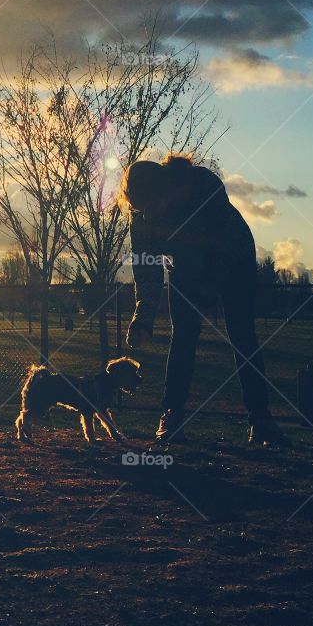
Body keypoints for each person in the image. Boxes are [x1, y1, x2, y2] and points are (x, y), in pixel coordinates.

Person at [121, 153, 290, 446]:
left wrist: (210, 288)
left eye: (150, 207)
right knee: (183, 337)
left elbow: (221, 247)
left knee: (242, 336)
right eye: (139, 210)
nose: (146, 215)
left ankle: (261, 420)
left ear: (166, 192)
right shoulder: (141, 219)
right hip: (185, 269)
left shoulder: (204, 186)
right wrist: (143, 318)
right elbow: (147, 271)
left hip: (235, 259)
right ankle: (171, 415)